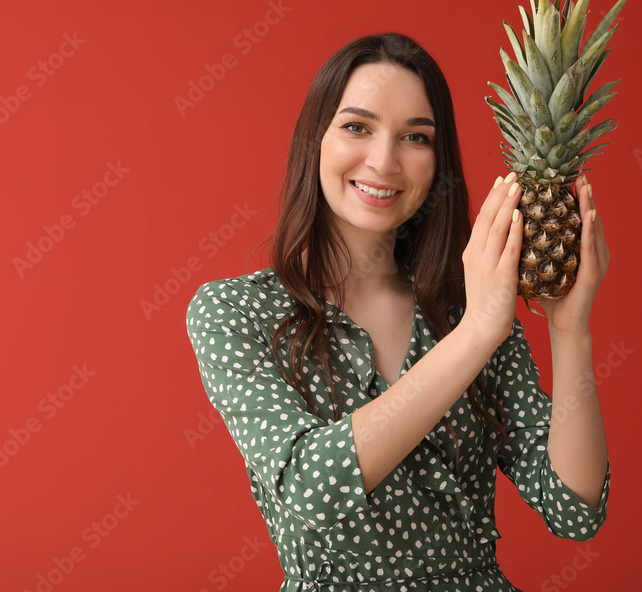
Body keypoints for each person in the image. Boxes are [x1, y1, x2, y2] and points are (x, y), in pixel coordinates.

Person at [185, 32, 611, 591]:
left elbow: (574, 510)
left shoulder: (467, 306)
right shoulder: (235, 311)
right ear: (316, 140)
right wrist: (477, 332)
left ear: (438, 162)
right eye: (357, 127)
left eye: (415, 136)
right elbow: (312, 487)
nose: (384, 161)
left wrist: (569, 328)